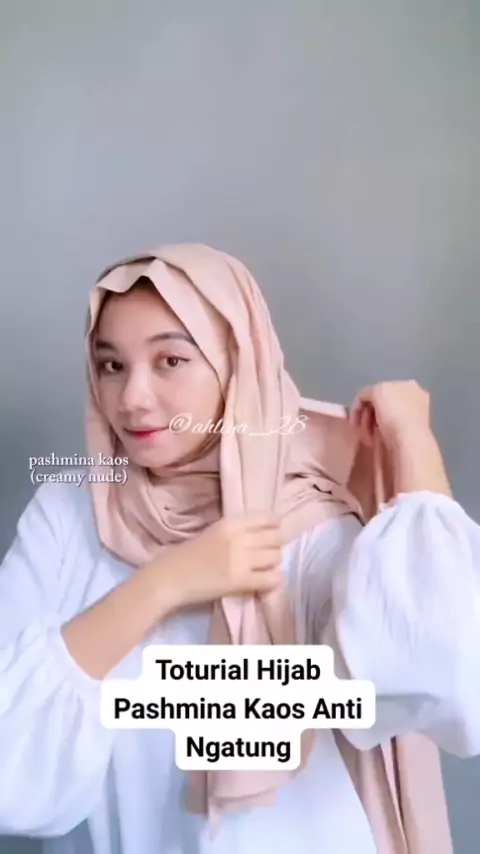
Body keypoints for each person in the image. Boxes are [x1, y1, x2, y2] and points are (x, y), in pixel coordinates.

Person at [0, 243, 479, 854]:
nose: (132, 398)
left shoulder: (312, 521)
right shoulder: (68, 516)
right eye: (111, 365)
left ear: (238, 366)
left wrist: (414, 446)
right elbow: (10, 771)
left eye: (171, 360)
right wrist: (166, 584)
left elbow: (444, 676)